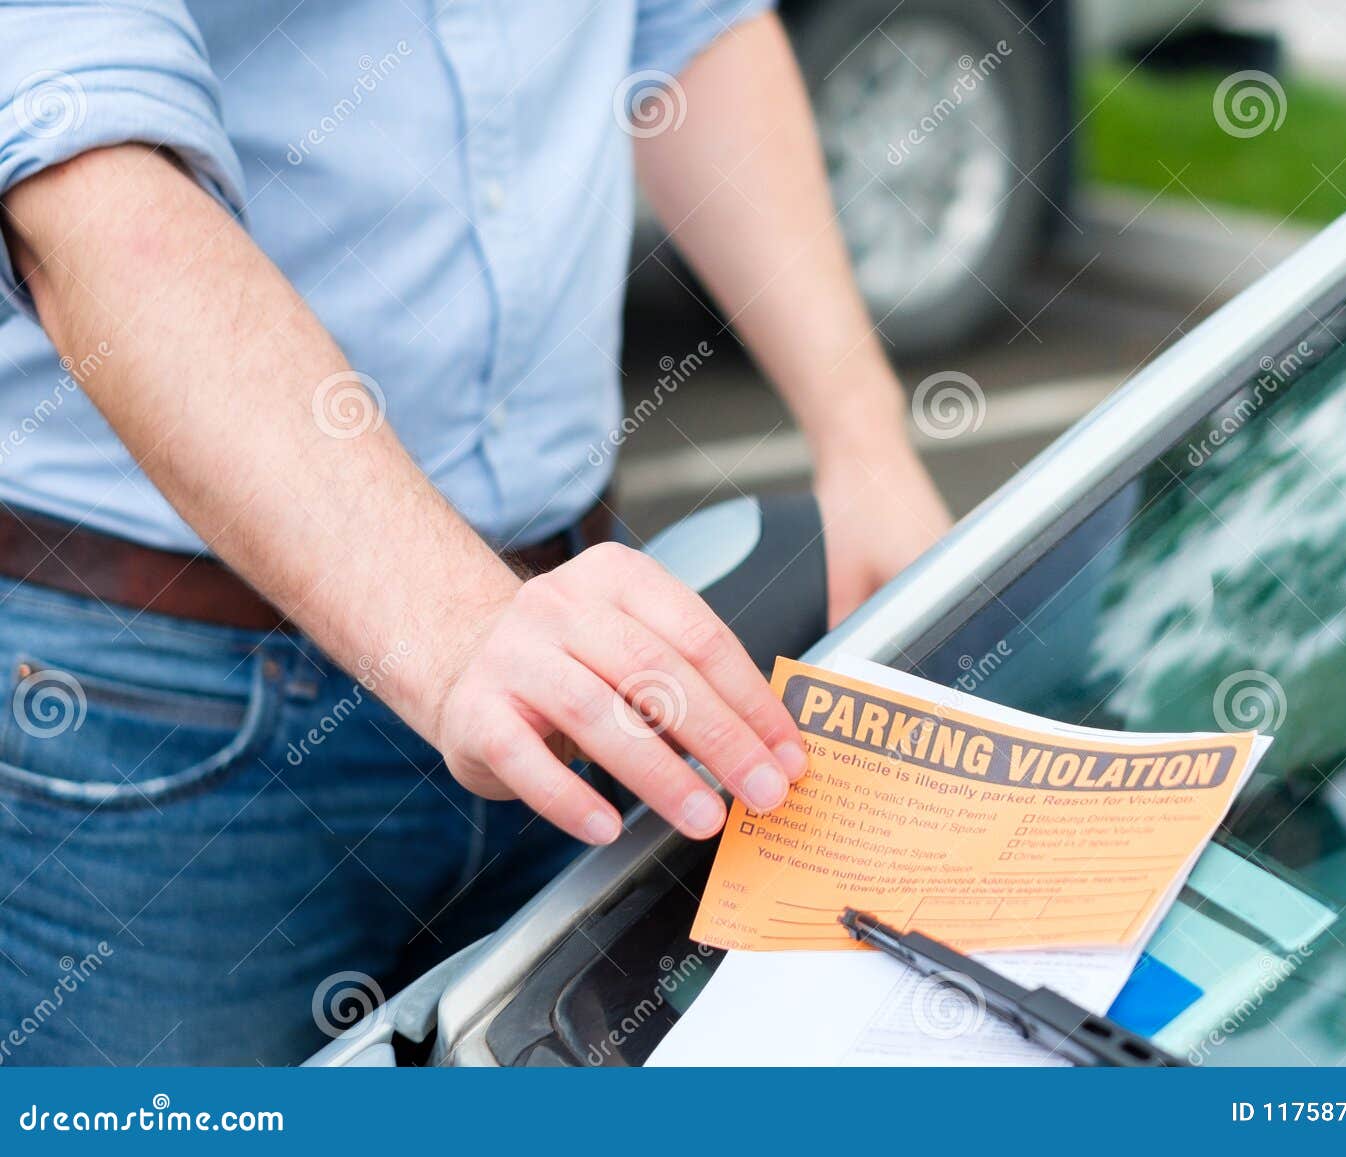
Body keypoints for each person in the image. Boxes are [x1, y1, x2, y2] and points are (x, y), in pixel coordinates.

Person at [0, 1, 949, 1064]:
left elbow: (691, 26)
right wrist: (454, 624)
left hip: (568, 664)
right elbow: (81, 168)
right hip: (152, 710)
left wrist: (864, 442)